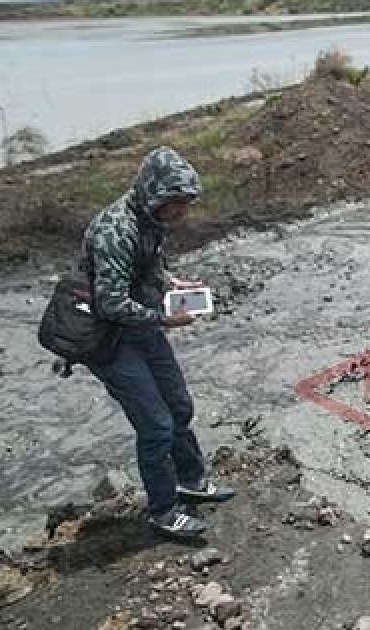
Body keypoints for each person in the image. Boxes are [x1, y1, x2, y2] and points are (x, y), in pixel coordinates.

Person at [82, 146, 234, 539]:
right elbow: (111, 303)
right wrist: (165, 318)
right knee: (155, 426)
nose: (181, 213)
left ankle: (191, 482)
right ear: (156, 195)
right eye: (176, 204)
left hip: (142, 326)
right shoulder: (116, 230)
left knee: (179, 406)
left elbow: (148, 261)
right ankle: (163, 510)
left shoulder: (149, 219)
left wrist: (171, 284)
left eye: (185, 204)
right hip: (110, 339)